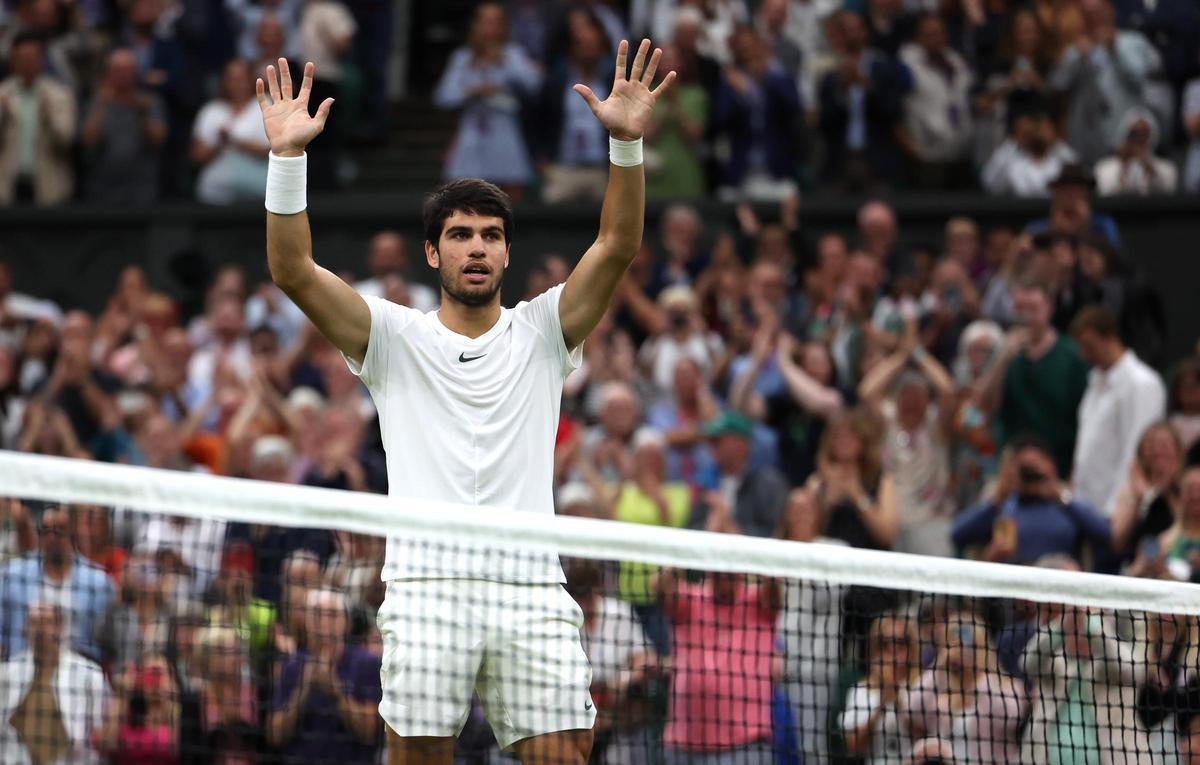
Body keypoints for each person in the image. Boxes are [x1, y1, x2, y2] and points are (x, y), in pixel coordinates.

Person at [254, 34, 677, 763]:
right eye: (459, 235)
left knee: (566, 757)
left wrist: (627, 148)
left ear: (507, 252)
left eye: (489, 235)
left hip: (529, 586)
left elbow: (615, 246)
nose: (476, 247)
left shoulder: (545, 330)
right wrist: (288, 157)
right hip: (426, 588)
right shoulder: (392, 336)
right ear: (433, 252)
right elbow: (292, 269)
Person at [657, 560, 781, 763]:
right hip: (684, 746)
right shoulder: (690, 598)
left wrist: (754, 555)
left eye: (730, 567)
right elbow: (661, 587)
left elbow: (775, 587)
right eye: (719, 567)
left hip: (745, 745)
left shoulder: (759, 601)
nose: (724, 574)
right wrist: (679, 555)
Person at [977, 280, 1090, 478]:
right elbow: (981, 409)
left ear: (1050, 308)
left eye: (1034, 309)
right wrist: (1002, 360)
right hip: (1011, 470)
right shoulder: (1001, 353)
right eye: (1021, 310)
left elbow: (1085, 419)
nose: (1027, 318)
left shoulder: (1071, 356)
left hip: (1058, 469)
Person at [432, 2, 542, 195]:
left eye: (495, 22)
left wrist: (504, 63)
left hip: (505, 129)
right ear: (475, 25)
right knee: (465, 194)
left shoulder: (512, 54)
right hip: (473, 129)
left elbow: (534, 84)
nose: (489, 28)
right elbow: (443, 97)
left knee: (509, 191)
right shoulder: (463, 57)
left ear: (503, 26)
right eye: (485, 22)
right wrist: (471, 92)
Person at [952, 434, 1112, 565]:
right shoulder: (1004, 502)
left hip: (1058, 583)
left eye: (1036, 468)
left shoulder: (1067, 501)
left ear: (1052, 465)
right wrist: (997, 499)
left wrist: (1059, 494)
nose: (1031, 476)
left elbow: (1105, 535)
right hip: (1013, 588)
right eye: (1025, 470)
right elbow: (957, 534)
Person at [1071, 305, 1166, 524]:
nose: (1085, 354)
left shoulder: (1141, 384)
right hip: (1084, 505)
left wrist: (1115, 510)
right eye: (1081, 347)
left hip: (1113, 511)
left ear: (1111, 337)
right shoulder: (1094, 382)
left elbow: (1135, 450)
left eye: (1090, 346)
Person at [268, 588, 381, 764]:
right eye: (317, 615)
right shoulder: (292, 665)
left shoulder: (366, 662)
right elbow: (275, 736)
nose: (324, 623)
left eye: (332, 615)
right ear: (306, 621)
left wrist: (335, 692)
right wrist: (302, 691)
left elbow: (369, 732)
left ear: (346, 622)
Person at [0, 505, 115, 662]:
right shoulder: (11, 575)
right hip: (22, 671)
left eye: (60, 529)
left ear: (73, 532)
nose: (53, 537)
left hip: (77, 676)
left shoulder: (99, 584)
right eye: (46, 530)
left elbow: (106, 645)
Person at [0, 602, 108, 765]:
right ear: (25, 629)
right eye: (35, 622)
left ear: (61, 628)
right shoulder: (7, 673)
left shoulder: (89, 674)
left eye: (48, 622)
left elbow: (99, 731)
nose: (41, 630)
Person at [904, 620, 1026, 764]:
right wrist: (940, 666)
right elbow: (913, 709)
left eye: (971, 646)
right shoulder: (942, 695)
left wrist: (978, 674)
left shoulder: (1007, 686)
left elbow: (1009, 719)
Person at [79, 48, 168, 205]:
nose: (123, 75)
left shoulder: (150, 102)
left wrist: (143, 115)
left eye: (128, 70)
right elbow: (87, 142)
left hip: (141, 193)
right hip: (102, 193)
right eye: (118, 70)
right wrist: (101, 106)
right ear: (108, 73)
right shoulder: (96, 103)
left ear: (136, 73)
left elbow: (158, 141)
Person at [0, 33, 76, 206]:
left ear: (42, 60)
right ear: (13, 61)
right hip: (6, 187)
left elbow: (66, 141)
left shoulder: (59, 95)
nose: (27, 63)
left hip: (48, 187)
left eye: (32, 57)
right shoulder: (2, 94)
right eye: (21, 58)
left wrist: (49, 117)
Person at [838, 612, 920, 765]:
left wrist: (898, 702)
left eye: (901, 643)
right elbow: (853, 745)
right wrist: (882, 703)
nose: (893, 650)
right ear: (875, 648)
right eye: (885, 643)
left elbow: (925, 738)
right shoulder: (861, 691)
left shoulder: (922, 687)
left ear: (911, 648)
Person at [191, 59, 271, 205]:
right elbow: (197, 157)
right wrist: (219, 143)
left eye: (241, 79)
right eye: (231, 79)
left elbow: (275, 150)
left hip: (260, 193)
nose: (236, 84)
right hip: (215, 193)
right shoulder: (210, 111)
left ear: (251, 80)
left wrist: (234, 141)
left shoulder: (266, 105)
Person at [1094, 108, 1178, 195]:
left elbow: (1168, 191)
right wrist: (1123, 167)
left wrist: (1149, 168)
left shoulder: (1167, 169)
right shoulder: (1104, 167)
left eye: (1144, 134)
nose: (1139, 139)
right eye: (1134, 134)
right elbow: (1105, 191)